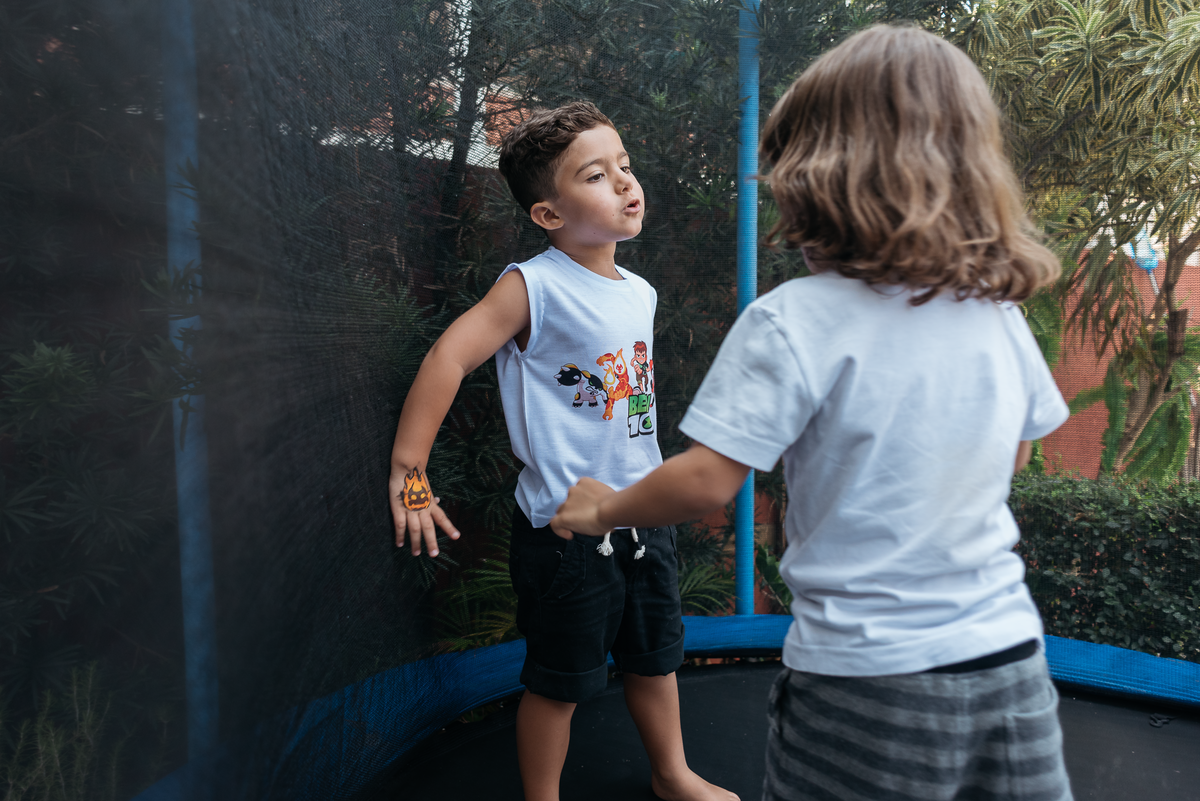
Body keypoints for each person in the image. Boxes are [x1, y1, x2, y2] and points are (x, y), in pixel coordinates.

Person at [551, 25, 1073, 801]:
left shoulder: (795, 318)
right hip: (1009, 663)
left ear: (812, 176)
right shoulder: (993, 313)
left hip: (868, 681)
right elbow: (1017, 453)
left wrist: (604, 508)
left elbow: (703, 483)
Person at [387, 101, 738, 801]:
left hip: (642, 517)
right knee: (559, 680)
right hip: (566, 533)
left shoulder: (640, 291)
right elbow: (450, 356)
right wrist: (409, 468)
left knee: (655, 658)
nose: (626, 183)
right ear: (549, 214)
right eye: (598, 175)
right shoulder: (532, 286)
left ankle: (671, 773)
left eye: (626, 167)